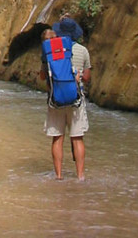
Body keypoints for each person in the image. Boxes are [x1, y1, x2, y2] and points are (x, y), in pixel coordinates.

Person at [40, 16, 91, 180]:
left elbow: (42, 76)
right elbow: (87, 77)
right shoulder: (83, 51)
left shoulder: (50, 50)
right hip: (76, 98)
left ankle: (59, 176)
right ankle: (81, 176)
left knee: (58, 138)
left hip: (55, 99)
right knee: (77, 138)